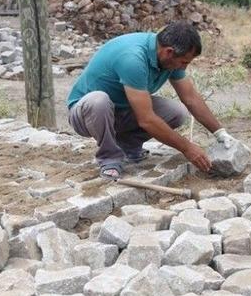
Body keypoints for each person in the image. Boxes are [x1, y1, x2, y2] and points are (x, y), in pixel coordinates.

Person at [67, 22, 238, 179]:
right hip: (86, 114)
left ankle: (128, 146)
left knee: (177, 112)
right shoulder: (133, 58)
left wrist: (220, 132)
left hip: (121, 111)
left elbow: (191, 98)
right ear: (169, 52)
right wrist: (187, 148)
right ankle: (109, 158)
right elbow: (146, 120)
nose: (184, 67)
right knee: (99, 100)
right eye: (184, 62)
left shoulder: (168, 57)